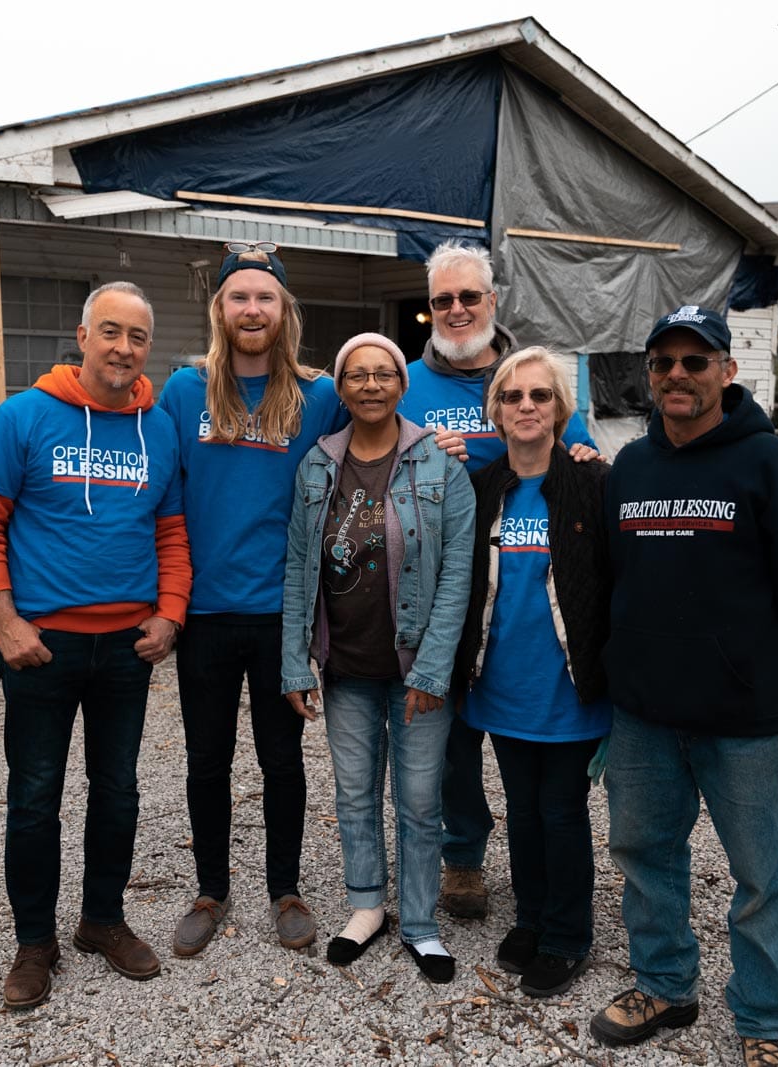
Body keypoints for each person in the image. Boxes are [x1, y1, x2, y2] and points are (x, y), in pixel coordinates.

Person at [593, 304, 778, 1067]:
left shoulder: (770, 465)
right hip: (643, 718)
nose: (676, 375)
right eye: (663, 362)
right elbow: (609, 580)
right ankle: (666, 982)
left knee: (760, 875)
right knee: (643, 853)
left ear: (727, 372)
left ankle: (766, 1018)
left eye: (695, 362)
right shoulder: (631, 467)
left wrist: (769, 683)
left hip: (746, 721)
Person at [0, 281, 191, 1008]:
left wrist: (171, 615)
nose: (124, 348)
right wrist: (4, 621)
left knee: (117, 790)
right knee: (34, 795)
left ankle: (101, 920)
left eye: (138, 337)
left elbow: (172, 530)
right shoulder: (24, 415)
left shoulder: (160, 428)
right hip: (41, 647)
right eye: (111, 332)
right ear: (82, 335)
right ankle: (35, 942)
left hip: (127, 647)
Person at [400, 240, 598, 920]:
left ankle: (550, 897)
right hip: (433, 599)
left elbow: (583, 453)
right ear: (429, 310)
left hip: (520, 603)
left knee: (531, 758)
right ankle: (463, 856)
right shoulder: (405, 383)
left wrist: (584, 451)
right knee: (453, 744)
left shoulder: (532, 377)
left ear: (493, 300)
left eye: (469, 296)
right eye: (442, 300)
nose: (456, 309)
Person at [158, 243, 346, 958]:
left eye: (264, 297)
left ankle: (285, 888)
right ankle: (210, 888)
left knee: (282, 758)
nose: (252, 309)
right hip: (204, 613)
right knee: (206, 759)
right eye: (239, 296)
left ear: (283, 309)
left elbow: (371, 447)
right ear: (221, 308)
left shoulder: (317, 395)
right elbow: (164, 497)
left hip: (280, 613)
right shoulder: (185, 391)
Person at [281, 332, 475, 982]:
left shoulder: (440, 466)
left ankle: (420, 923)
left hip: (416, 672)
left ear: (401, 383)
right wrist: (293, 662)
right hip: (346, 671)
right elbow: (299, 568)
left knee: (420, 801)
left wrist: (433, 667)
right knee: (356, 794)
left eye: (382, 373)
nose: (369, 384)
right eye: (356, 375)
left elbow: (457, 575)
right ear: (342, 389)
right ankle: (367, 906)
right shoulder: (317, 465)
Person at [452, 346, 612, 999]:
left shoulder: (591, 483)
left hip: (567, 687)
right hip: (503, 684)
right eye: (513, 396)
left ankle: (568, 934)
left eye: (539, 396)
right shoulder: (484, 486)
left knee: (562, 810)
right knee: (521, 808)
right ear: (495, 410)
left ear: (559, 411)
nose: (525, 406)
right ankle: (531, 916)